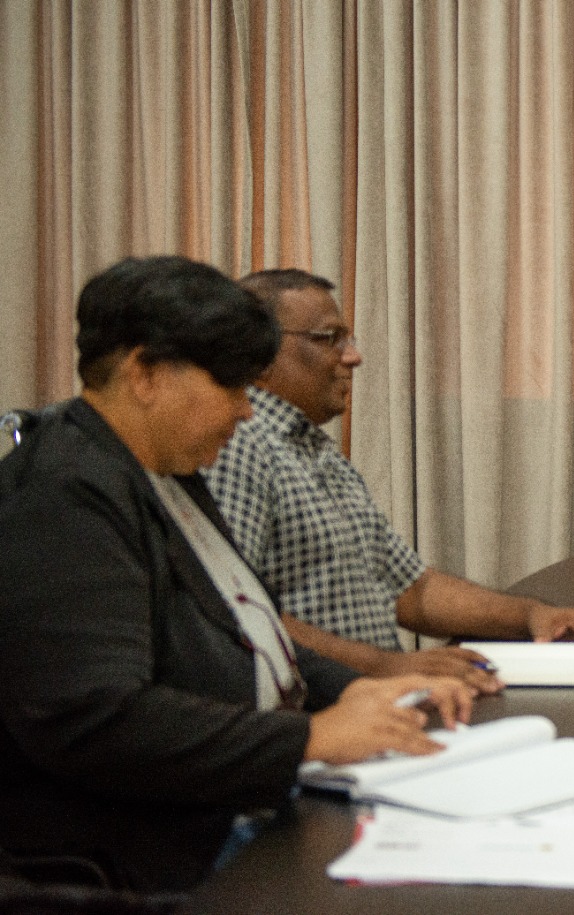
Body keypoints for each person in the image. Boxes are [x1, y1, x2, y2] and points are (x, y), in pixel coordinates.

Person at [0, 256, 472, 891]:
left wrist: (355, 689)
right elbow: (95, 717)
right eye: (231, 387)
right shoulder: (63, 494)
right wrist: (308, 738)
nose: (247, 413)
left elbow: (249, 632)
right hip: (159, 854)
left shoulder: (167, 473)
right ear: (144, 373)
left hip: (247, 799)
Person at [204, 270, 574, 694]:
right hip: (318, 715)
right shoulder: (237, 445)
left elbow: (412, 590)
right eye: (329, 338)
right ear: (259, 351)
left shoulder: (317, 452)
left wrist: (532, 616)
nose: (353, 357)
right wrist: (388, 667)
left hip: (379, 701)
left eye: (347, 339)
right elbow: (239, 610)